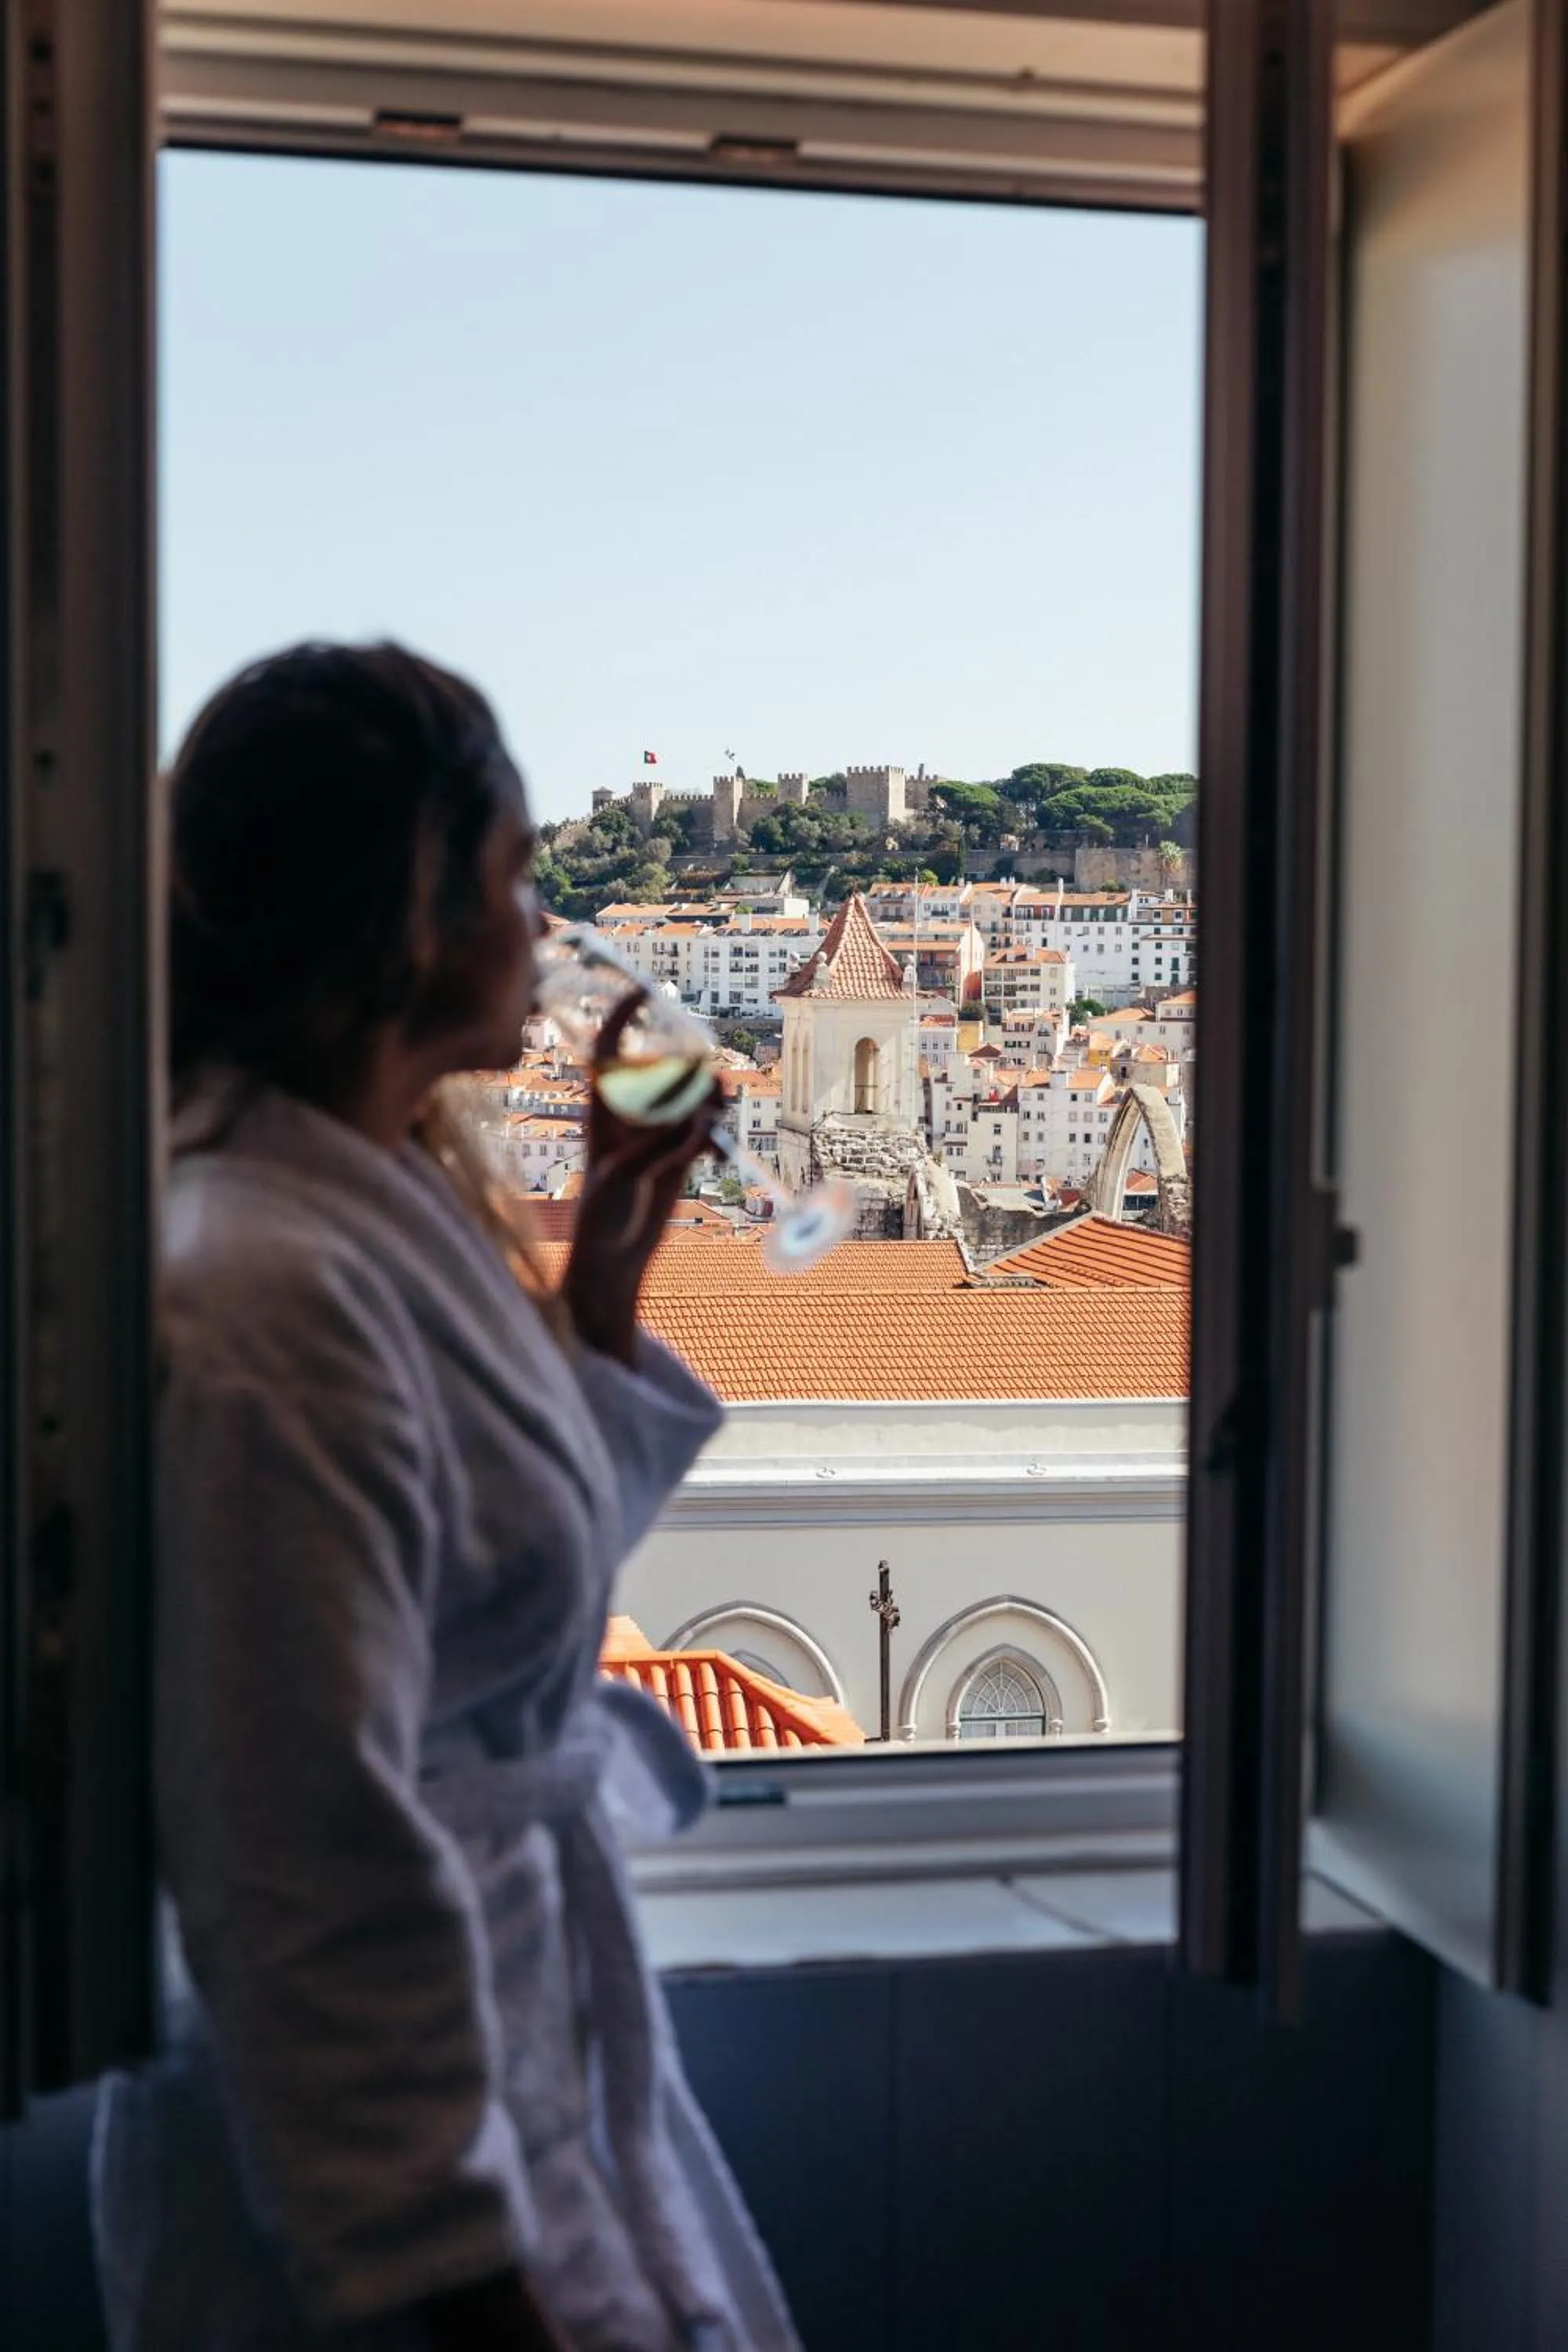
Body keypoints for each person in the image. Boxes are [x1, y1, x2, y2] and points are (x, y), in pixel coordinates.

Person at [93, 643, 802, 2352]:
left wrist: (611, 1265)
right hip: (391, 2187)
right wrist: (465, 2291)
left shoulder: (352, 1211)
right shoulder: (264, 1293)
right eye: (513, 874)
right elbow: (307, 1859)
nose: (544, 922)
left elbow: (488, 1607)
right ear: (416, 912)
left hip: (512, 2049)